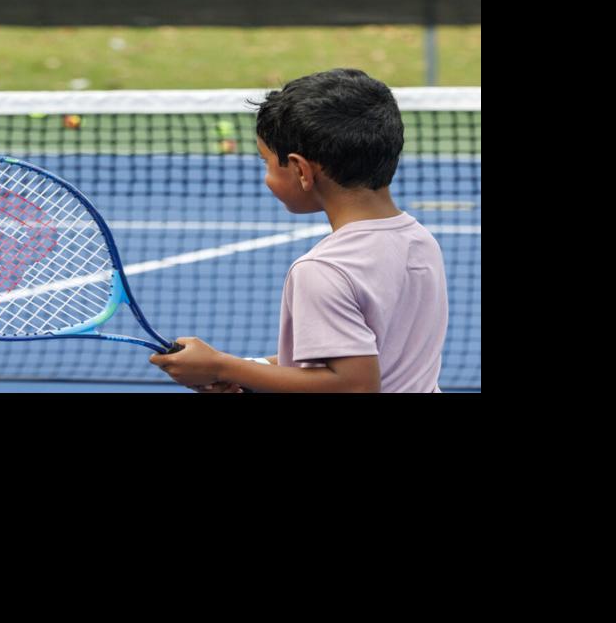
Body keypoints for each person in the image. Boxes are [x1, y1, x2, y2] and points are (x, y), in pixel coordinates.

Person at [149, 69, 448, 393]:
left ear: (301, 170)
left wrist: (221, 366)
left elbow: (355, 386)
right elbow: (357, 356)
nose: (266, 175)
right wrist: (244, 371)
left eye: (266, 162)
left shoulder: (322, 271)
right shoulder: (420, 239)